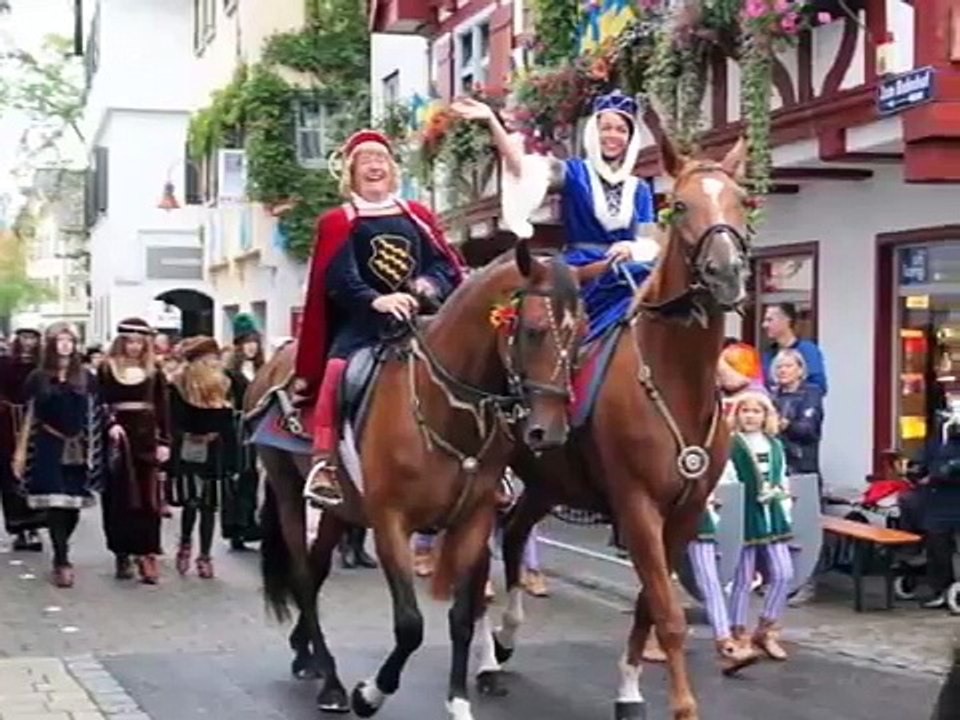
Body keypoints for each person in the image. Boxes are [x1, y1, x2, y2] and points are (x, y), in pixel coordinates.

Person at [295, 129, 463, 506]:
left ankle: (487, 463)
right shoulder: (338, 221)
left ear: (392, 169)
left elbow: (444, 266)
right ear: (351, 171)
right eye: (366, 159)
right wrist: (377, 300)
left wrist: (426, 284)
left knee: (468, 368)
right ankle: (325, 464)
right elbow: (339, 277)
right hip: (364, 325)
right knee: (339, 373)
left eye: (381, 158)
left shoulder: (416, 215)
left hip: (420, 323)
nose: (375, 165)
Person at [452, 91, 656, 343]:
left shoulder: (640, 188)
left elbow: (649, 239)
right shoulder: (572, 171)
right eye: (606, 128)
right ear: (594, 132)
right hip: (580, 270)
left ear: (630, 138)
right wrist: (492, 122)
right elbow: (520, 168)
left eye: (621, 130)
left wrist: (631, 247)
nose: (613, 136)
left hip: (626, 267)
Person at [15, 324, 100, 587]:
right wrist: (20, 452)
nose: (65, 345)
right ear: (51, 345)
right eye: (59, 340)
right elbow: (29, 415)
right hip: (47, 444)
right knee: (55, 503)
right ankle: (61, 560)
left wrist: (95, 448)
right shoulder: (38, 377)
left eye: (69, 340)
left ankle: (63, 546)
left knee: (73, 506)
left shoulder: (86, 376)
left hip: (77, 445)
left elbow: (95, 412)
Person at [724, 386, 795, 661]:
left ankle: (766, 628)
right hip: (746, 514)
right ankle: (738, 632)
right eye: (746, 410)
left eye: (757, 411)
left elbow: (781, 477)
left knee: (784, 573)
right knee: (743, 578)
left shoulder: (774, 444)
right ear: (737, 414)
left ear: (766, 414)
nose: (751, 416)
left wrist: (781, 498)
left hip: (773, 514)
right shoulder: (731, 444)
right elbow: (727, 479)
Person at [99, 318, 170, 584]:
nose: (134, 347)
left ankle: (148, 554)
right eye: (129, 341)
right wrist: (110, 425)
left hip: (147, 440)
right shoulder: (107, 369)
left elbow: (163, 409)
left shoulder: (155, 372)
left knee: (149, 500)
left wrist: (164, 442)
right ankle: (122, 553)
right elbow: (101, 403)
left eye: (139, 342)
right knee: (119, 498)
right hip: (119, 441)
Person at [169, 336, 239, 579]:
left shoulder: (224, 384)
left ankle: (205, 555)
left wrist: (232, 458)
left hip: (215, 451)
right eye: (209, 358)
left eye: (215, 357)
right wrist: (190, 436)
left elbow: (229, 425)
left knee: (210, 506)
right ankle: (186, 543)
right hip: (189, 449)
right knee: (191, 502)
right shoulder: (179, 385)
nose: (214, 362)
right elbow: (173, 421)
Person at [686, 478, 761, 675]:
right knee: (659, 578)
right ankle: (649, 637)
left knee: (709, 580)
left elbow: (729, 482)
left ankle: (726, 643)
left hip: (702, 517)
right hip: (671, 516)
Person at [0, 326, 46, 551]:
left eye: (33, 337)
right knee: (10, 476)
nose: (28, 342)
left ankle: (35, 526)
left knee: (35, 473)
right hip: (7, 423)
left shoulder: (43, 365)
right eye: (25, 337)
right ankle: (18, 528)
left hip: (36, 422)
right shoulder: (5, 363)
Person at [221, 313, 263, 551]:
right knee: (236, 477)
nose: (251, 347)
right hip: (237, 428)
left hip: (257, 427)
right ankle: (235, 526)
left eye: (254, 342)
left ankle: (249, 522)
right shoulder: (230, 373)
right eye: (246, 342)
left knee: (253, 478)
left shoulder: (262, 370)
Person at [770, 349, 824, 479]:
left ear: (800, 370)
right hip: (776, 466)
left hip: (802, 466)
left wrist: (786, 425)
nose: (782, 370)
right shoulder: (771, 396)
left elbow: (808, 430)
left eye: (788, 366)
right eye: (779, 367)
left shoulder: (811, 393)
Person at [761, 303, 827, 394]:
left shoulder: (808, 350)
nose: (764, 325)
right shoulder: (768, 354)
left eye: (769, 320)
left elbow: (819, 386)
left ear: (786, 321)